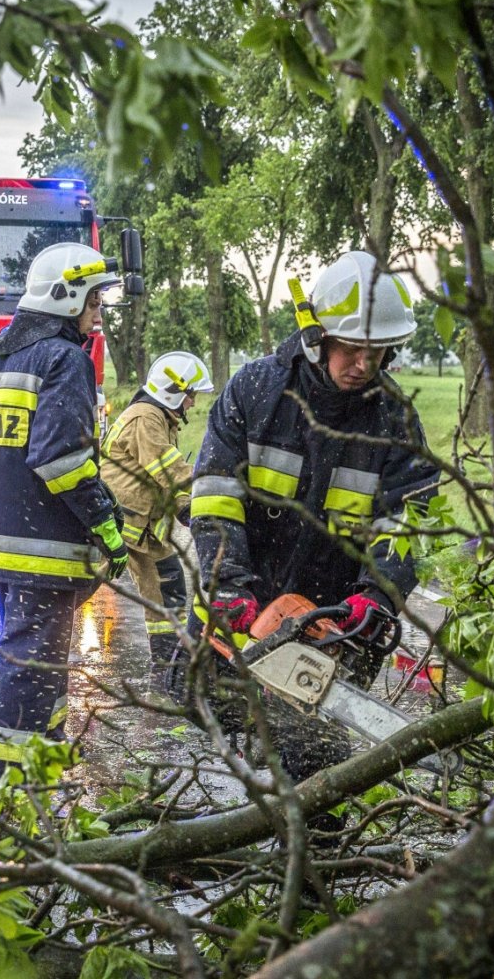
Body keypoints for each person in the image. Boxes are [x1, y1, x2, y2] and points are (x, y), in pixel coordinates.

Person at [183, 250, 441, 785]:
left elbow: (411, 518)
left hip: (336, 608)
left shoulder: (393, 419)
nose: (364, 365)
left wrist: (376, 596)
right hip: (248, 587)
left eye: (377, 352)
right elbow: (214, 496)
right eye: (351, 348)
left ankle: (311, 850)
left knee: (315, 749)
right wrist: (228, 586)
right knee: (203, 704)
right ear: (317, 335)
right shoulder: (257, 392)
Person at [0, 242, 128, 784]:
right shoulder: (64, 359)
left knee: (41, 664)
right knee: (29, 665)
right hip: (48, 547)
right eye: (94, 302)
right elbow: (62, 460)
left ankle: (39, 770)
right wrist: (106, 525)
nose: (98, 314)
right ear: (68, 297)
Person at [101, 351, 213, 675]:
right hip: (123, 524)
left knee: (169, 588)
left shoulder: (161, 418)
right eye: (190, 395)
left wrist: (190, 510)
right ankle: (41, 633)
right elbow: (168, 469)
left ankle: (168, 664)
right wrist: (208, 493)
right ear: (173, 392)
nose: (192, 402)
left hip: (144, 529)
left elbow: (169, 484)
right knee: (79, 584)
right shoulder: (146, 418)